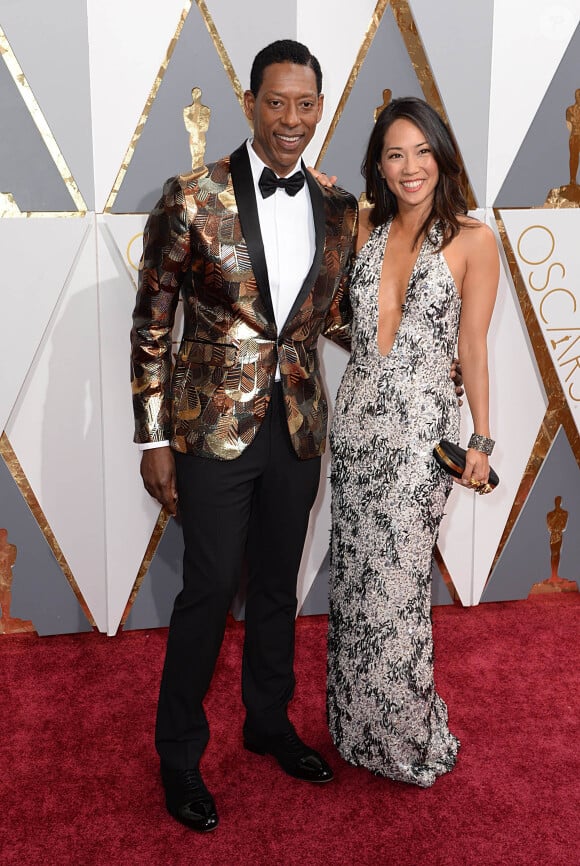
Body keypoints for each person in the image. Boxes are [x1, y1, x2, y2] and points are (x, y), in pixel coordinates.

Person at [130, 40, 358, 833]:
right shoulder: (191, 197)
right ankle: (180, 757)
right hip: (211, 430)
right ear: (251, 101)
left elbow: (337, 318)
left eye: (305, 105)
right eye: (277, 102)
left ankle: (268, 721)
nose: (291, 120)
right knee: (207, 588)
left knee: (275, 585)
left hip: (297, 426)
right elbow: (152, 325)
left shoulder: (340, 209)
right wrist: (153, 440)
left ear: (318, 108)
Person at [326, 97, 499, 786]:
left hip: (421, 433)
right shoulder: (363, 225)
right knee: (355, 578)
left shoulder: (473, 240)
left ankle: (402, 735)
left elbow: (475, 347)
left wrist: (481, 438)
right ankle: (354, 727)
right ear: (379, 164)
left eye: (421, 151)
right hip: (357, 421)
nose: (410, 167)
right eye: (394, 154)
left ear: (441, 156)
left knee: (397, 585)